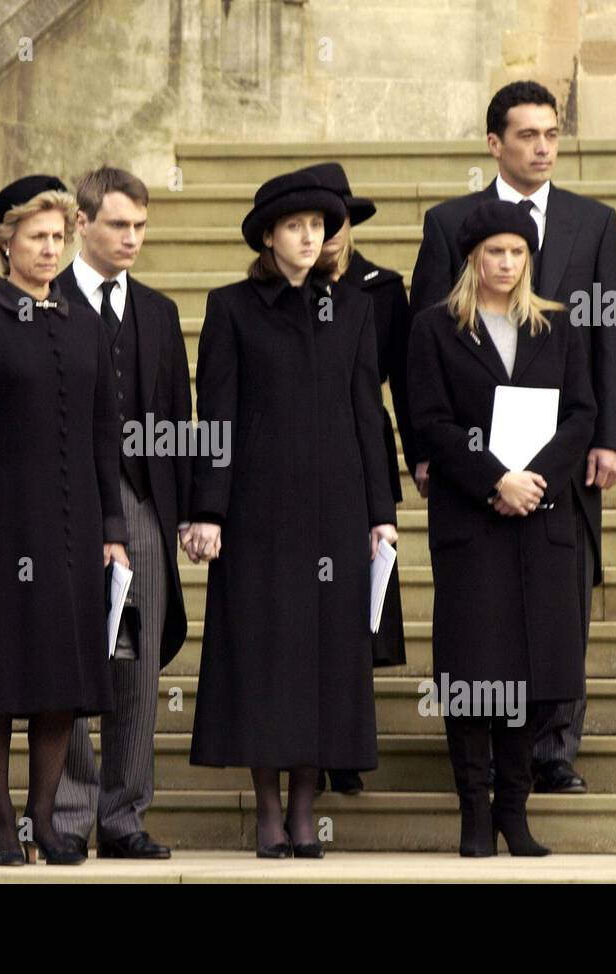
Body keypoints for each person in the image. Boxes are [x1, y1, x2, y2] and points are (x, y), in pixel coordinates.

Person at [409, 80, 616, 793]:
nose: (543, 146)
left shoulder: (593, 223)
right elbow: (423, 345)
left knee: (562, 586)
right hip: (473, 459)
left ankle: (554, 747)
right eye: (528, 134)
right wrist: (424, 449)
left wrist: (610, 436)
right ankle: (485, 756)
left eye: (552, 133)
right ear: (494, 143)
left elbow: (609, 335)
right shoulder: (449, 226)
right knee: (483, 603)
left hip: (563, 447)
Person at [186, 170, 399, 858]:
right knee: (262, 657)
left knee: (326, 663)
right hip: (256, 514)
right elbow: (214, 415)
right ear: (269, 237)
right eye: (294, 227)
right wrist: (208, 511)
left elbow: (370, 413)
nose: (308, 237)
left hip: (336, 512)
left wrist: (381, 512)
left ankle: (307, 808)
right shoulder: (232, 307)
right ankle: (270, 809)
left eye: (318, 226)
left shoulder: (356, 308)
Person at [0, 175, 130, 866]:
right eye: (37, 238)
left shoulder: (85, 323)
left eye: (59, 237)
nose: (50, 250)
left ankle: (43, 820)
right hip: (1, 526)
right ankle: (0, 821)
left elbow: (103, 436)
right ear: (6, 243)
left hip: (76, 527)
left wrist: (113, 529)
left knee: (63, 680)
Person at [407, 200, 596, 856]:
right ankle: (474, 814)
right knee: (473, 669)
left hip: (540, 519)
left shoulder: (557, 327)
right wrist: (495, 479)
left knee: (532, 671)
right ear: (472, 258)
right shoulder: (436, 329)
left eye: (517, 252)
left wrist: (532, 479)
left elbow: (581, 415)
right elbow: (428, 422)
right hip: (473, 521)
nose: (506, 263)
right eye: (495, 252)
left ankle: (514, 812)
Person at [52, 166, 193, 860]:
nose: (132, 238)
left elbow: (176, 421)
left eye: (140, 227)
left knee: (135, 667)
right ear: (82, 223)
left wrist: (190, 513)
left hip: (141, 508)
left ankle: (124, 814)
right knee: (74, 660)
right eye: (118, 225)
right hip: (65, 509)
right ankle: (69, 813)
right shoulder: (45, 302)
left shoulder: (160, 314)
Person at [305, 161, 412, 797]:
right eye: (319, 220)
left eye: (337, 220)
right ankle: (308, 748)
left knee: (360, 615)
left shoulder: (383, 287)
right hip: (304, 459)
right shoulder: (291, 288)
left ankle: (347, 746)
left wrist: (418, 457)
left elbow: (405, 377)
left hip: (364, 452)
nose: (331, 232)